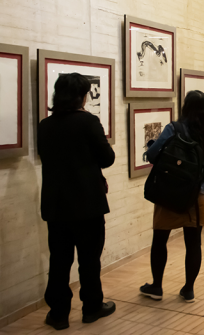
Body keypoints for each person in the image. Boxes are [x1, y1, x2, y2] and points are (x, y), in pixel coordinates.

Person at [37, 73, 116, 330]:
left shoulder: (45, 125)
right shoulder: (89, 122)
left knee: (59, 261)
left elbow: (46, 158)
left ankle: (59, 314)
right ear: (81, 96)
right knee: (89, 259)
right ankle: (92, 307)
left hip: (56, 205)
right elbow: (107, 159)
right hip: (88, 205)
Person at [140, 90, 204, 303]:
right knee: (193, 244)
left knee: (160, 240)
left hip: (168, 193)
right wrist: (203, 191)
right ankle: (188, 289)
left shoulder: (174, 128)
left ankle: (157, 286)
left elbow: (153, 156)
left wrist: (153, 146)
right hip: (195, 196)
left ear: (185, 107)